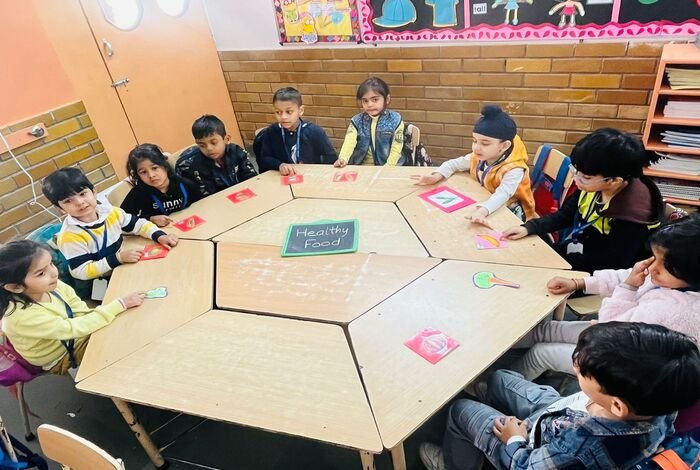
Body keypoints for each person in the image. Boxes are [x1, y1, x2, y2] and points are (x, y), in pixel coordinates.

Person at [419, 322, 700, 470]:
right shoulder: (663, 397)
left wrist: (514, 440)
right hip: (557, 414)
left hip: (530, 448)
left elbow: (526, 467)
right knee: (499, 378)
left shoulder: (584, 448)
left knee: (461, 409)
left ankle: (452, 463)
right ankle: (490, 408)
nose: (575, 365)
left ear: (616, 405)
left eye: (582, 371)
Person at [511, 214, 700, 381]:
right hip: (616, 331)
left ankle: (501, 387)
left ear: (691, 271)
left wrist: (629, 287)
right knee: (546, 330)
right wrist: (579, 283)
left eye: (663, 264)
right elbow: (628, 275)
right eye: (654, 257)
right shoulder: (672, 277)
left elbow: (611, 331)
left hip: (623, 362)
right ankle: (498, 352)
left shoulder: (676, 311)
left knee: (541, 353)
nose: (651, 268)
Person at [502, 128, 663, 274]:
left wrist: (561, 262)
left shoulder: (632, 213)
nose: (576, 179)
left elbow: (614, 263)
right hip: (585, 245)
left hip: (606, 272)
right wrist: (529, 227)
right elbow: (564, 216)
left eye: (585, 177)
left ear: (614, 180)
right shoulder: (594, 184)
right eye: (575, 171)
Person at [0, 240, 145, 374]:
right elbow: (71, 329)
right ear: (15, 287)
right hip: (60, 355)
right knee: (118, 344)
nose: (54, 273)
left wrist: (105, 315)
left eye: (51, 264)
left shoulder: (52, 285)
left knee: (122, 325)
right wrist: (119, 305)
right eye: (41, 273)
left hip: (71, 335)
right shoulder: (20, 317)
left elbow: (78, 307)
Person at [41, 167, 178, 281]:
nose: (80, 202)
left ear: (94, 192)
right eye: (68, 201)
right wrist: (118, 258)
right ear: (60, 209)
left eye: (82, 194)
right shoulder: (69, 236)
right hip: (100, 281)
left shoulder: (110, 212)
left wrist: (159, 235)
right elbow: (81, 271)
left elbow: (138, 224)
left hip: (124, 265)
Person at [414, 105, 536, 224]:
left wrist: (482, 212)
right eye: (474, 141)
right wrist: (436, 176)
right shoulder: (479, 156)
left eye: (485, 143)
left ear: (504, 146)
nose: (476, 148)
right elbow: (453, 164)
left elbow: (502, 195)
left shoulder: (514, 170)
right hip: (485, 202)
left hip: (511, 214)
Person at [255, 87, 337, 175]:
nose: (283, 117)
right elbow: (264, 159)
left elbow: (331, 156)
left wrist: (318, 172)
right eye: (278, 112)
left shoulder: (314, 131)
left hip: (310, 176)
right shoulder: (272, 131)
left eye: (289, 112)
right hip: (282, 178)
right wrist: (279, 165)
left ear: (300, 111)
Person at [120, 143, 203, 227]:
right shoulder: (138, 193)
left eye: (154, 168)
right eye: (143, 172)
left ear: (165, 165)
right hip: (160, 232)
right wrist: (150, 219)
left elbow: (202, 204)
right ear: (137, 175)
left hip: (191, 226)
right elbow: (122, 219)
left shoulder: (183, 183)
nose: (151, 175)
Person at [175, 114, 257, 196]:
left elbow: (251, 178)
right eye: (202, 145)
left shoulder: (236, 151)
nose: (209, 148)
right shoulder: (193, 165)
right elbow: (206, 196)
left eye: (214, 143)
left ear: (226, 139)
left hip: (239, 196)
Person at [334, 77, 404, 167]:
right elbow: (349, 142)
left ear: (387, 99)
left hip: (390, 166)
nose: (369, 105)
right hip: (363, 167)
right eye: (365, 101)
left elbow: (397, 147)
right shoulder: (357, 121)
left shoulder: (395, 119)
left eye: (375, 100)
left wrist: (388, 166)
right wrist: (343, 158)